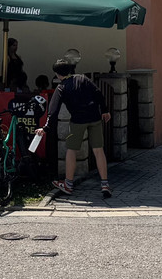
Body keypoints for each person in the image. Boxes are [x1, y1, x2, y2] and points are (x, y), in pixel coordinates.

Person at [34, 58, 113, 198]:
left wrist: (46, 128)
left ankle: (68, 184)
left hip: (78, 121)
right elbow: (98, 93)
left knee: (71, 150)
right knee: (98, 150)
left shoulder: (61, 87)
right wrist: (105, 110)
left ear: (57, 74)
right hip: (94, 118)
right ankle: (105, 184)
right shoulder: (83, 78)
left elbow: (53, 111)